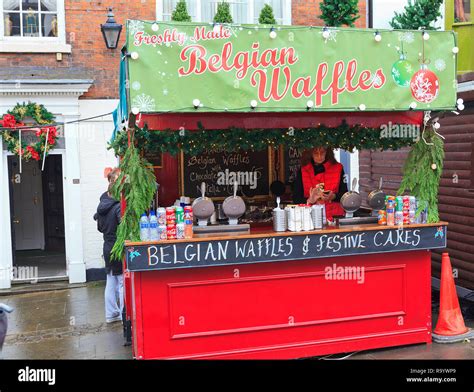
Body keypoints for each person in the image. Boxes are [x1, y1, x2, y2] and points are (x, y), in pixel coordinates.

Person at [94, 168, 123, 323]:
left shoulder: (102, 203)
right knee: (122, 283)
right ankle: (126, 315)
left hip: (107, 245)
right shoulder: (118, 206)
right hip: (117, 246)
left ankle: (111, 314)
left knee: (111, 280)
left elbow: (99, 227)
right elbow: (123, 227)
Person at [293, 146, 348, 220]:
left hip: (335, 217)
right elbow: (296, 199)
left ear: (327, 152)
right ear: (310, 153)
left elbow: (345, 195)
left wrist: (333, 196)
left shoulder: (338, 168)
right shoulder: (303, 171)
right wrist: (309, 200)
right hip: (310, 218)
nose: (319, 156)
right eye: (315, 153)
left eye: (322, 152)